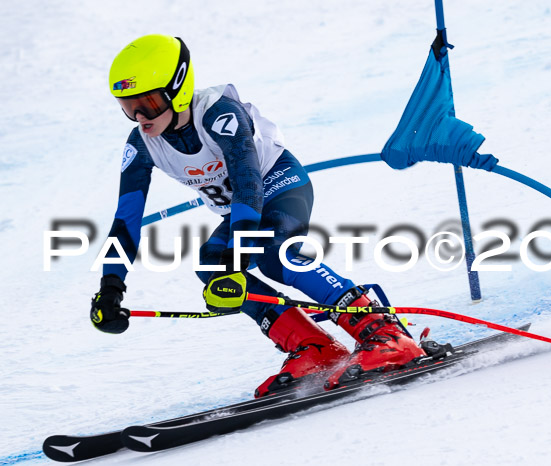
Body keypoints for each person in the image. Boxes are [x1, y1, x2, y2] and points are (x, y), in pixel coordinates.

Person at [90, 34, 425, 396]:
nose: (141, 117)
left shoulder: (219, 115)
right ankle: (315, 349)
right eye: (129, 106)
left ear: (178, 88)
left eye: (150, 103)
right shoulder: (141, 144)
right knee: (213, 268)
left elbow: (249, 183)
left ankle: (384, 333)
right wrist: (111, 287)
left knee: (273, 254)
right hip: (244, 210)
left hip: (279, 185)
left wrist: (238, 250)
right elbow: (126, 220)